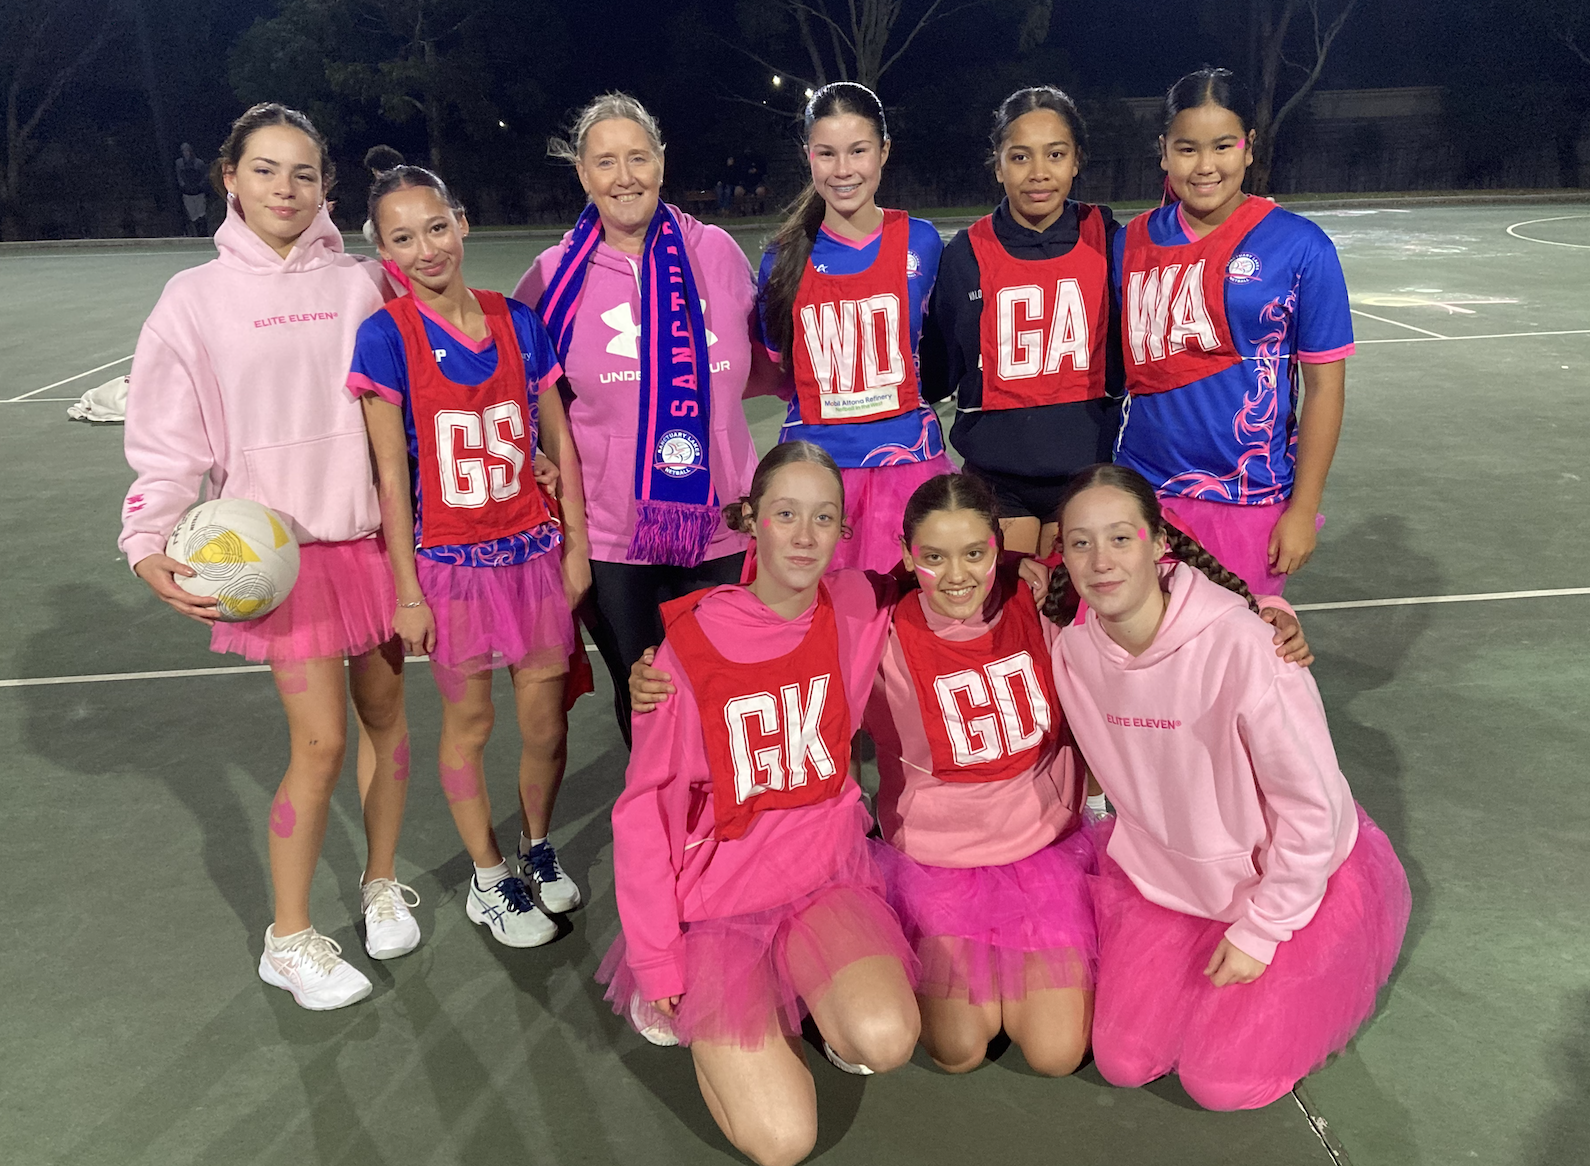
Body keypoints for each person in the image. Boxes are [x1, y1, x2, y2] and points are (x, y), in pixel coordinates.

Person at [122, 103, 414, 1011]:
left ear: (326, 186)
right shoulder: (193, 300)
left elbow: (423, 402)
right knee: (320, 743)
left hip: (372, 544)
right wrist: (145, 537)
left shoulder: (366, 282)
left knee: (387, 722)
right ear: (229, 179)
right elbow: (169, 442)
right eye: (264, 169)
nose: (285, 189)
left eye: (303, 173)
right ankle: (287, 938)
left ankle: (380, 883)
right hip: (281, 564)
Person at [1043, 463, 1410, 1110]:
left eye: (1121, 537)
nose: (1100, 561)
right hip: (1169, 886)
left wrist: (1261, 931)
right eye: (1081, 542)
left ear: (1160, 542)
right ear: (1063, 556)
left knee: (1222, 1086)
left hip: (1278, 884)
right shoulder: (1072, 653)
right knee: (1123, 1064)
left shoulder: (1248, 648)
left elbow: (1312, 809)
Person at [601, 442, 920, 1166]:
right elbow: (644, 813)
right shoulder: (684, 654)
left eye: (823, 518)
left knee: (886, 1040)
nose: (805, 536)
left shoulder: (857, 604)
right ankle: (727, 1010)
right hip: (720, 902)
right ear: (752, 520)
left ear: (844, 531)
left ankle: (805, 988)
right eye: (786, 514)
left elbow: (940, 570)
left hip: (822, 878)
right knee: (782, 1143)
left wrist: (1027, 568)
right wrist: (657, 959)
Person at [351, 165, 589, 943]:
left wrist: (578, 545)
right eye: (403, 238)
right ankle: (488, 878)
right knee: (472, 722)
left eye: (435, 227)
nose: (426, 248)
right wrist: (406, 590)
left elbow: (558, 439)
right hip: (452, 567)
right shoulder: (385, 336)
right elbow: (391, 476)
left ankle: (536, 847)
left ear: (461, 222)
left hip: (534, 554)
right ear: (384, 252)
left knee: (546, 723)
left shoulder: (516, 320)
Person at [513, 92, 777, 741]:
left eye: (638, 157)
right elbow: (517, 398)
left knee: (727, 701)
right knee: (648, 710)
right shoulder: (552, 277)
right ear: (583, 174)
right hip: (614, 539)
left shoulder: (716, 252)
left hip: (724, 526)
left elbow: (763, 366)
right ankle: (659, 811)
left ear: (661, 162)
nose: (624, 176)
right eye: (606, 162)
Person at [865, 473, 1095, 1076]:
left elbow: (1153, 587)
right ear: (906, 555)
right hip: (937, 863)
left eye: (975, 553)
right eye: (934, 557)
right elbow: (784, 626)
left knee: (1055, 1054)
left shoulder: (1038, 604)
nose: (957, 575)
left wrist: (1272, 614)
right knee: (958, 1051)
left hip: (1041, 851)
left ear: (999, 545)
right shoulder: (876, 632)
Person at [1113, 68, 1352, 594]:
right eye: (1187, 149)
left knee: (1234, 645)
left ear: (1249, 148)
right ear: (1163, 151)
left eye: (1223, 146)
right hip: (1139, 497)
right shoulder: (1129, 242)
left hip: (1250, 499)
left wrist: (1303, 508)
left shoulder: (1301, 246)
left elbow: (1325, 389)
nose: (1205, 166)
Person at [758, 82, 953, 574]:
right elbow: (779, 367)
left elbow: (940, 346)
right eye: (827, 153)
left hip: (907, 467)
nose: (843, 169)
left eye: (858, 151)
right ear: (808, 156)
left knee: (909, 612)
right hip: (813, 479)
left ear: (884, 151)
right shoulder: (781, 260)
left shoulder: (922, 242)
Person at [920, 87, 1123, 557]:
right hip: (996, 482)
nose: (1038, 173)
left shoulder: (1112, 243)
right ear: (997, 165)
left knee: (1074, 601)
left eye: (1055, 154)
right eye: (1019, 157)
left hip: (1091, 476)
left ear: (1076, 160)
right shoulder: (964, 256)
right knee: (1008, 600)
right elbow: (938, 373)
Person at [175, 143, 209, 236]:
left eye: (187, 150)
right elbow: (179, 176)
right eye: (184, 151)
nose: (186, 153)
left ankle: (204, 233)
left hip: (199, 192)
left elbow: (205, 175)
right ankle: (197, 233)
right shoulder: (179, 163)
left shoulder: (199, 163)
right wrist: (183, 186)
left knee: (201, 213)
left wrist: (200, 186)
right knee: (193, 215)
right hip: (187, 193)